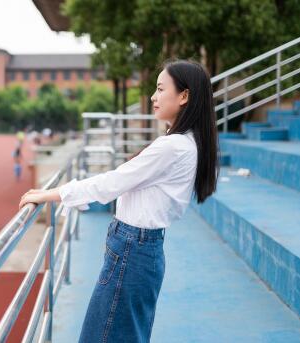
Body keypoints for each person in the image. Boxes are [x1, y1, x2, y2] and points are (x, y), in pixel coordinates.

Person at [19, 60, 219, 343]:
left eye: (161, 89)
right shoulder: (186, 142)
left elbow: (112, 182)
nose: (153, 96)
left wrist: (53, 193)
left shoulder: (172, 147)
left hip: (132, 251)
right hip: (141, 250)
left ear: (184, 96)